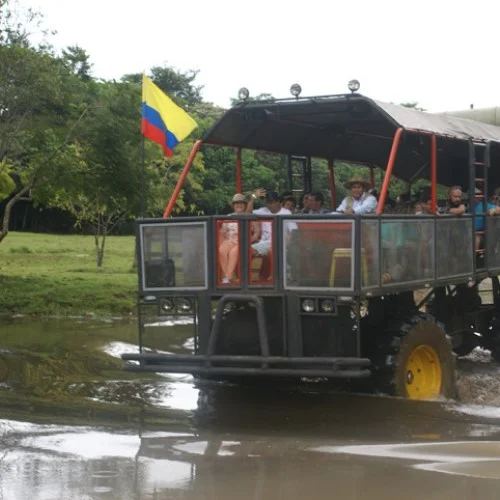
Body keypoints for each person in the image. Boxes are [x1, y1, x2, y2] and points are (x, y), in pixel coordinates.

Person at [218, 193, 247, 283]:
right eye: (236, 203)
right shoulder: (228, 217)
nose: (239, 205)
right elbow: (222, 233)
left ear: (245, 205)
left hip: (241, 241)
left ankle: (227, 277)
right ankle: (228, 276)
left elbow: (254, 232)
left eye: (241, 203)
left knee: (233, 253)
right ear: (233, 205)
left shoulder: (249, 216)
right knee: (221, 250)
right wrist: (219, 244)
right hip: (229, 240)